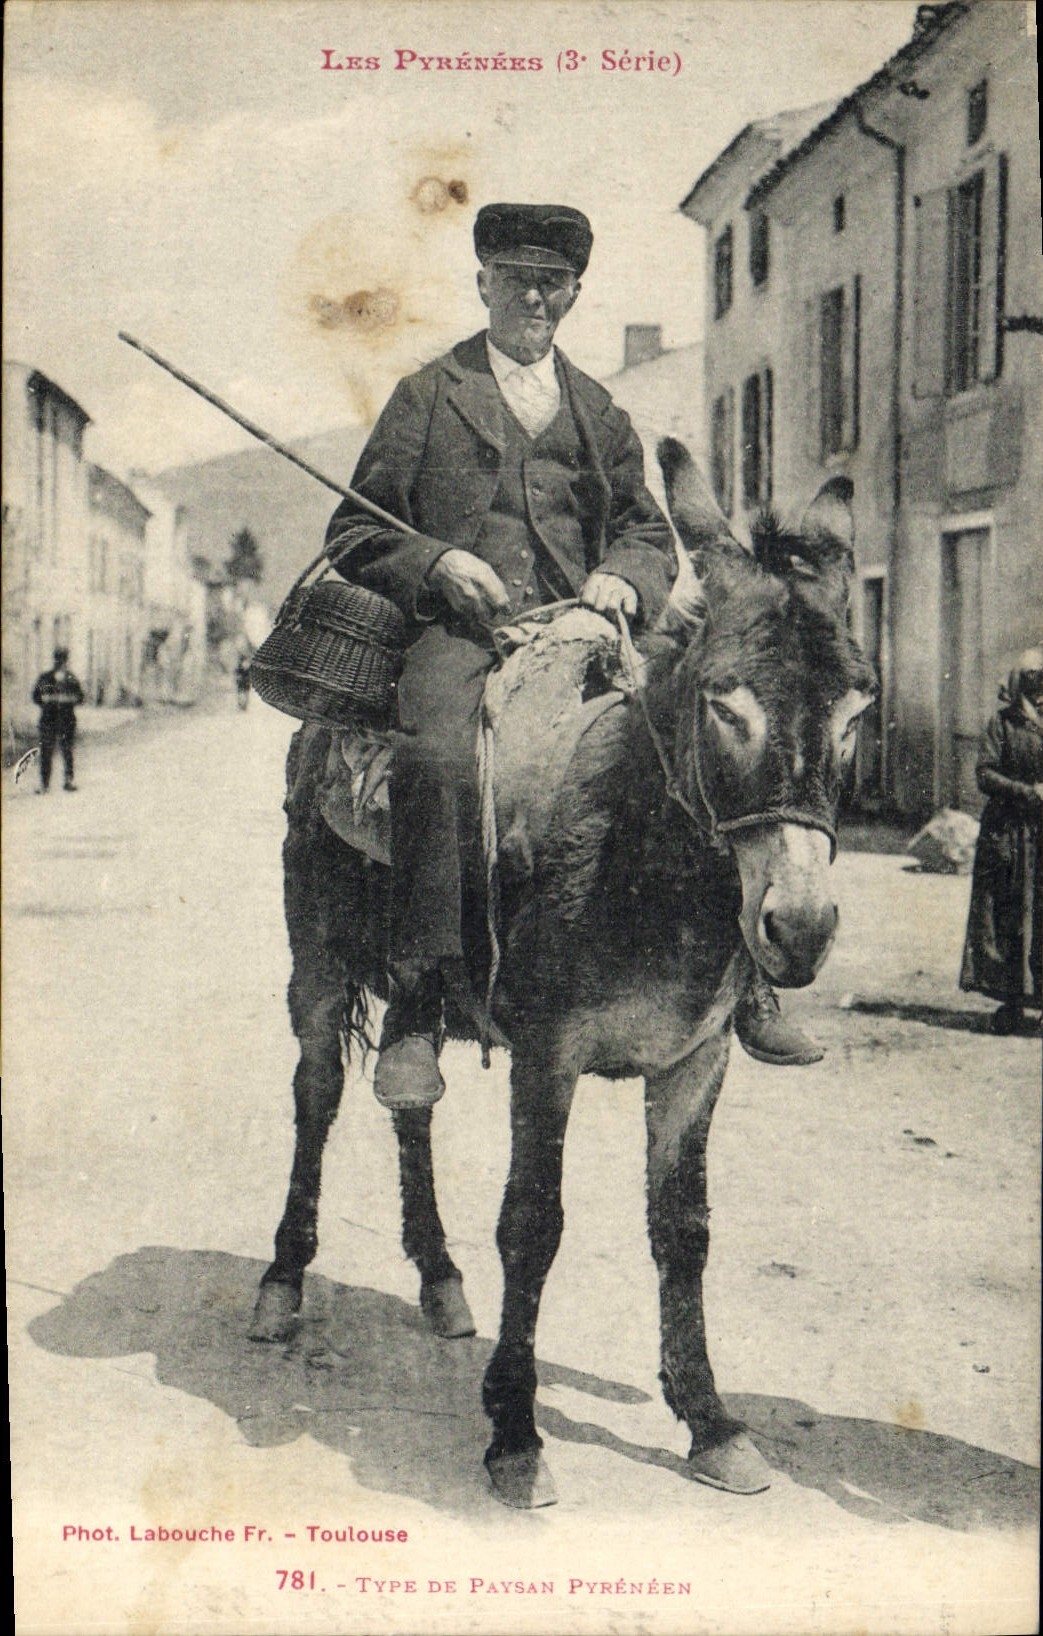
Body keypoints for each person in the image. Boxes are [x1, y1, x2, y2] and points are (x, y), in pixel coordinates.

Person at [326, 201, 819, 1106]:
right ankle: (419, 1004)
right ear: (482, 284)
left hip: (588, 637)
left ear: (576, 293)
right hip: (461, 635)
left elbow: (645, 531)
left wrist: (624, 583)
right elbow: (356, 531)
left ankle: (744, 986)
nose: (533, 298)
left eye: (551, 283)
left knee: (697, 749)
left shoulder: (597, 410)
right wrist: (437, 562)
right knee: (435, 761)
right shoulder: (426, 397)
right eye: (514, 279)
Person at [960, 648, 1043, 1034]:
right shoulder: (1003, 723)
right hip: (1010, 833)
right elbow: (985, 773)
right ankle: (1012, 1002)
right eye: (1032, 680)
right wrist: (1028, 791)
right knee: (1010, 916)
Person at [32, 647, 84, 793]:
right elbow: (35, 696)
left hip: (67, 720)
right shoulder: (45, 678)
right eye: (58, 659)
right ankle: (44, 784)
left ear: (66, 661)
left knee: (67, 751)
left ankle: (68, 780)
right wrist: (46, 700)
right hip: (48, 720)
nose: (61, 663)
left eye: (63, 660)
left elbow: (80, 697)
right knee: (46, 751)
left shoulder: (71, 679)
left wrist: (68, 699)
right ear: (54, 660)